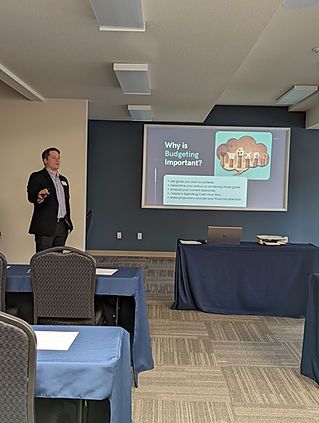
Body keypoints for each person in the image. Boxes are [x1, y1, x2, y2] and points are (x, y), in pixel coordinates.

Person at [27, 147, 73, 252]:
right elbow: (31, 197)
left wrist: (68, 224)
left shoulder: (63, 180)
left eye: (59, 158)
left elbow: (65, 202)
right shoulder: (37, 176)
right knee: (43, 260)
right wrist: (39, 197)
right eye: (54, 158)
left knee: (57, 260)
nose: (57, 160)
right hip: (45, 226)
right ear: (45, 160)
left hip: (62, 226)